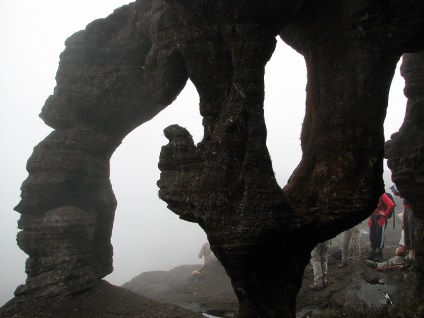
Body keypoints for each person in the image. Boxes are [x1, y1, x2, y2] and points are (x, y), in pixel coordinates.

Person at [390, 185, 416, 263]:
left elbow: (402, 249)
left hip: (411, 208)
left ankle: (411, 260)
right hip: (407, 207)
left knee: (410, 235)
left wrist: (397, 251)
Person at [367, 193, 395, 262]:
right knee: (373, 235)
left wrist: (385, 214)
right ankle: (373, 252)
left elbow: (391, 204)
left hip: (380, 218)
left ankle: (378, 253)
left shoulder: (382, 195)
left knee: (379, 235)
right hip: (374, 216)